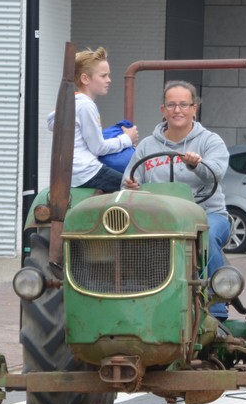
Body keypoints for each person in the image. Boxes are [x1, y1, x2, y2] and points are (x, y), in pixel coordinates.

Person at [123, 80, 230, 321]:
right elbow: (128, 180)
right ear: (163, 110)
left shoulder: (210, 141)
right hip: (158, 218)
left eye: (184, 104)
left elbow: (216, 173)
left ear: (194, 108)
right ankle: (137, 298)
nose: (177, 110)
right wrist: (131, 186)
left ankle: (216, 305)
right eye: (171, 105)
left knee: (207, 235)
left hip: (206, 214)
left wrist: (197, 165)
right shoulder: (147, 146)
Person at [46, 46, 138, 192]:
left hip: (70, 173)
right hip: (86, 172)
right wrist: (127, 138)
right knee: (134, 187)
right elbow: (98, 147)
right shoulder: (86, 105)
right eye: (103, 76)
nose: (109, 80)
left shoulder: (72, 103)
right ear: (85, 78)